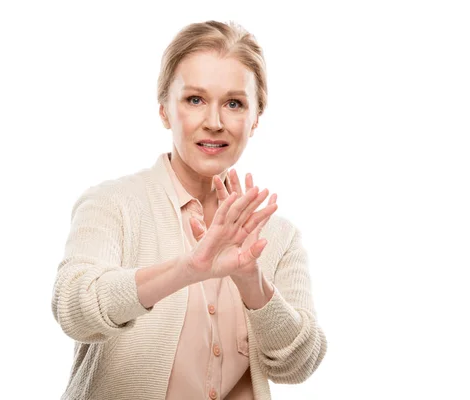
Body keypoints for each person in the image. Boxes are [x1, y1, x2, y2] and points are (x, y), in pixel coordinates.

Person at [51, 20, 327, 400]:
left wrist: (251, 280)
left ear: (256, 118)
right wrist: (188, 269)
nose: (214, 123)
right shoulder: (113, 203)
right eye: (194, 99)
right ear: (164, 109)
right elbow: (74, 308)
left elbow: (299, 364)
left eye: (234, 103)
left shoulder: (277, 236)